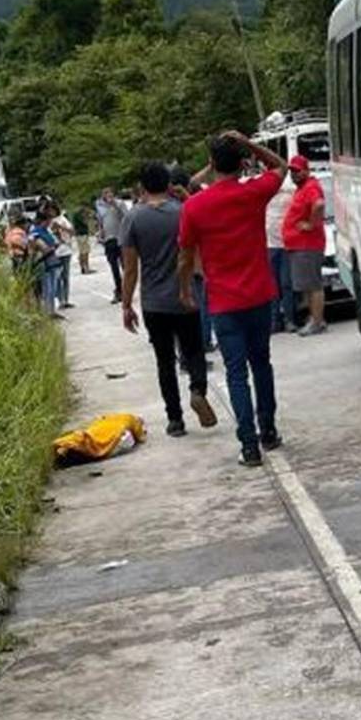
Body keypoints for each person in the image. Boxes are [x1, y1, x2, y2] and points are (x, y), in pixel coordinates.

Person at [178, 129, 288, 467]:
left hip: (224, 302)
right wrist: (248, 142)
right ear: (243, 164)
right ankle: (268, 430)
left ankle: (249, 446)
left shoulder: (195, 206)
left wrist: (184, 289)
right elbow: (281, 166)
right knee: (262, 364)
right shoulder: (254, 193)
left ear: (211, 164)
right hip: (259, 294)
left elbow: (184, 256)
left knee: (236, 374)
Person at [120, 160, 218, 438]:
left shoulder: (133, 219)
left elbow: (130, 269)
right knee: (194, 351)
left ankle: (175, 420)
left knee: (164, 361)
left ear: (142, 186)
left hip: (154, 303)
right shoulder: (183, 211)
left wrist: (127, 305)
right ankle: (197, 390)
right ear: (168, 184)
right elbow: (199, 251)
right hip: (185, 295)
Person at [281, 154, 328, 335]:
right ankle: (316, 318)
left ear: (307, 171)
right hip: (299, 246)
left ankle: (316, 322)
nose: (294, 174)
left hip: (307, 245)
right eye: (292, 171)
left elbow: (319, 204)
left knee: (313, 285)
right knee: (307, 286)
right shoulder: (302, 188)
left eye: (297, 171)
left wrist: (311, 224)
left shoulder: (311, 187)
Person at [265, 184, 296, 334]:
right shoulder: (264, 190)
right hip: (269, 245)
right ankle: (273, 321)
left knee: (286, 284)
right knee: (272, 286)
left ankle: (289, 320)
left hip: (286, 244)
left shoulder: (288, 188)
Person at [27, 207, 64, 315]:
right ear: (44, 221)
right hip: (43, 263)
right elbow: (41, 246)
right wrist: (51, 247)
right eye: (49, 221)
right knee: (47, 288)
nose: (50, 223)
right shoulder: (35, 232)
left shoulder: (45, 231)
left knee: (52, 288)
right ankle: (48, 312)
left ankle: (52, 311)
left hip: (51, 261)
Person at [95, 187, 128, 301]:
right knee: (113, 266)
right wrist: (100, 232)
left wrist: (114, 205)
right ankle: (118, 290)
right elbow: (100, 221)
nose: (108, 195)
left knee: (125, 266)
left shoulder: (120, 204)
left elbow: (126, 217)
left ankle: (126, 289)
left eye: (110, 193)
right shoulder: (100, 206)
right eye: (105, 194)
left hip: (121, 238)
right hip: (109, 239)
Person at [73, 204, 94, 274]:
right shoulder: (79, 214)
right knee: (85, 252)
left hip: (79, 234)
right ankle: (86, 268)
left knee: (82, 251)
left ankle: (83, 267)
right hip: (82, 234)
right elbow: (85, 222)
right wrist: (88, 216)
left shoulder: (77, 214)